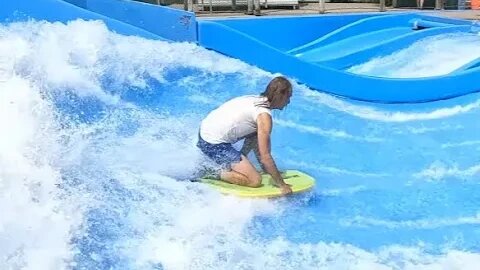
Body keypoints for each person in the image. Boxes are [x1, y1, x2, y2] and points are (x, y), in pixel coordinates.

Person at [197, 76, 293, 195]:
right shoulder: (264, 116)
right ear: (281, 95)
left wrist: (267, 170)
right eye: (288, 97)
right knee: (254, 180)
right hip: (212, 144)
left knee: (255, 133)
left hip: (204, 131)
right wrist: (282, 185)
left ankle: (239, 165)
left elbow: (257, 143)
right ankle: (209, 172)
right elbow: (265, 156)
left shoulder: (255, 99)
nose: (288, 102)